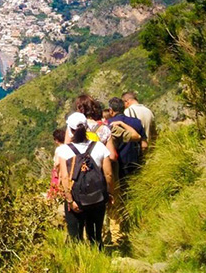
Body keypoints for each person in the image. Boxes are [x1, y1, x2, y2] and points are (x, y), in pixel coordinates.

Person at [56, 112, 114, 249]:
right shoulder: (99, 147)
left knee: (75, 236)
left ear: (69, 130)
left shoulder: (64, 151)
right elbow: (108, 174)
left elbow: (64, 177)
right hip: (97, 198)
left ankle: (80, 263)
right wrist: (110, 194)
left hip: (76, 199)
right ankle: (98, 258)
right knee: (96, 234)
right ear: (87, 127)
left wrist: (70, 201)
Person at [106, 97, 145, 246]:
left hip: (115, 167)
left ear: (111, 111)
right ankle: (134, 224)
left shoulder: (107, 126)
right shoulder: (136, 123)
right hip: (133, 164)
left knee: (115, 201)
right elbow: (142, 142)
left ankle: (115, 234)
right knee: (131, 197)